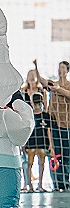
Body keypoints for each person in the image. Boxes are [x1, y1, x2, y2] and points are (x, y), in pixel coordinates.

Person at [35, 60, 70, 191]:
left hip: (67, 124)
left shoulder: (68, 85)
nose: (60, 70)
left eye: (63, 67)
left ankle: (66, 183)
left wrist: (58, 89)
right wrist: (36, 67)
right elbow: (42, 81)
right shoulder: (52, 84)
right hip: (55, 124)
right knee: (56, 155)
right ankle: (57, 183)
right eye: (59, 67)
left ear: (67, 70)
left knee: (67, 155)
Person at [25, 94, 55, 192]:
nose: (37, 106)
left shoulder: (46, 116)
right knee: (29, 164)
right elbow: (26, 130)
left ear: (42, 103)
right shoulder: (29, 116)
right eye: (35, 103)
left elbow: (48, 131)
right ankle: (30, 186)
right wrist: (24, 144)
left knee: (42, 164)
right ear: (32, 103)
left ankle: (40, 185)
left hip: (43, 144)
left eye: (39, 103)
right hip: (31, 144)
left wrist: (50, 145)